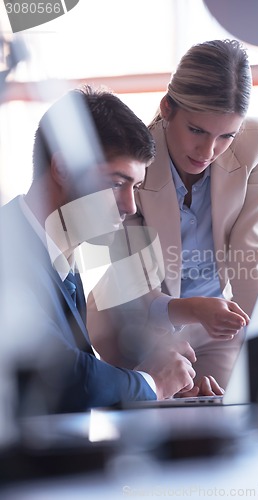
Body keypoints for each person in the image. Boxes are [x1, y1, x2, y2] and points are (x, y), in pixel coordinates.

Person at [87, 39, 258, 392]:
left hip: (218, 326)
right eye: (197, 130)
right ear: (168, 109)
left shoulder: (256, 143)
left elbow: (251, 260)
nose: (208, 151)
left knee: (223, 413)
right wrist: (172, 342)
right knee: (160, 415)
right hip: (134, 321)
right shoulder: (132, 164)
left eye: (226, 136)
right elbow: (134, 286)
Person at [0, 86, 199, 415]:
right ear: (62, 168)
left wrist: (158, 385)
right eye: (116, 183)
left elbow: (79, 385)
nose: (129, 206)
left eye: (135, 187)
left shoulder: (64, 263)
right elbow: (59, 374)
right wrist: (151, 385)